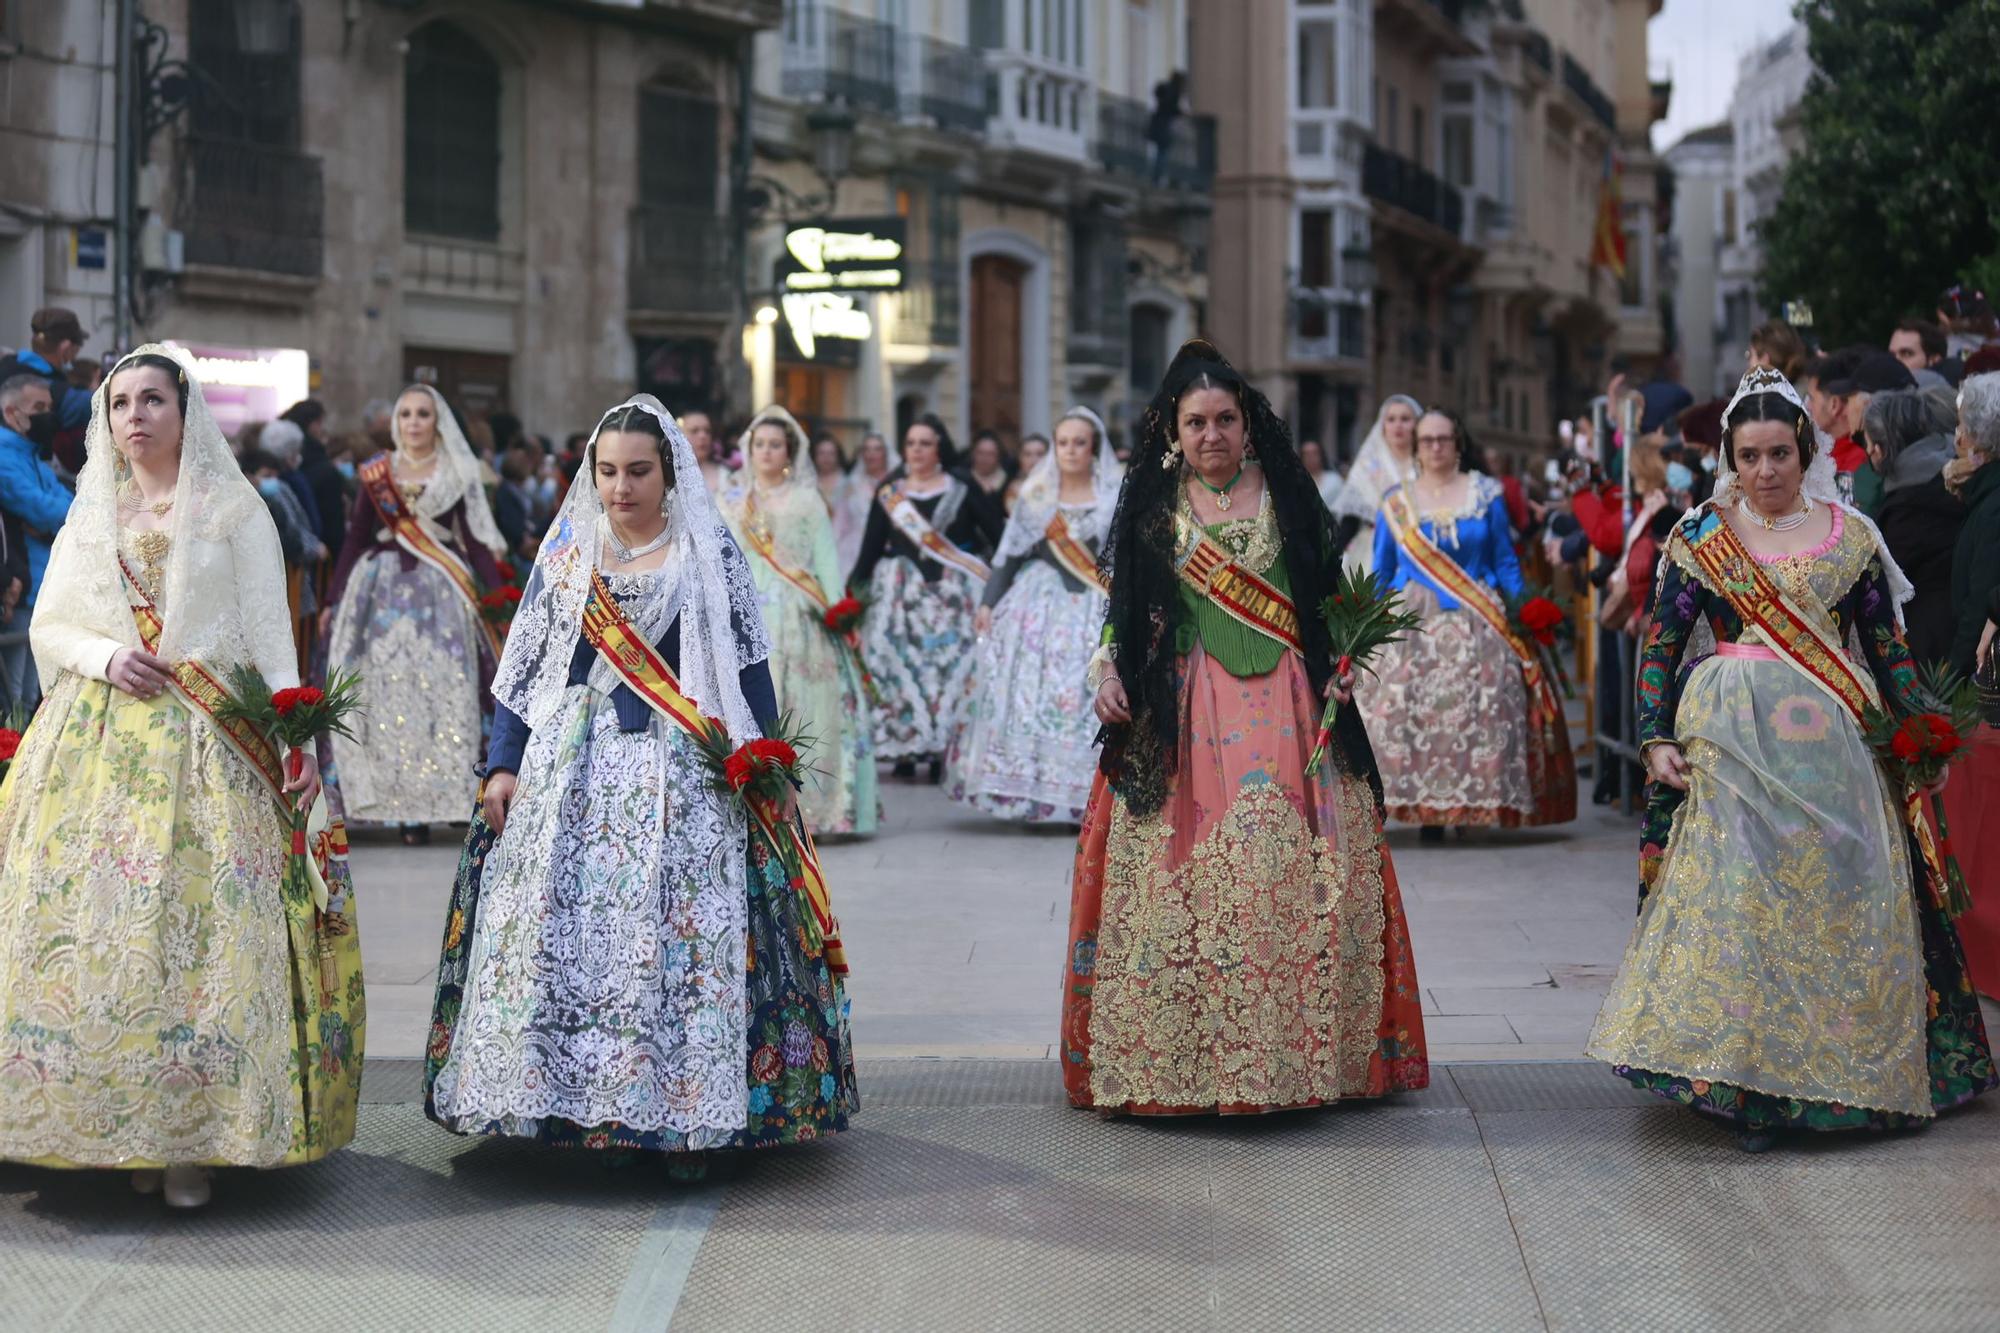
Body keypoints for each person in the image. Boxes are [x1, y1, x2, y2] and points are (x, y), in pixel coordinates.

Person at [425, 396, 855, 1159]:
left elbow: (747, 664)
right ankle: (551, 1098)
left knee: (680, 930)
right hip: (573, 761)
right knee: (561, 926)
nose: (621, 487)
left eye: (638, 471)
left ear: (668, 473)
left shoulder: (706, 550)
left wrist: (766, 760)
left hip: (682, 760)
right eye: (608, 471)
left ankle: (681, 1101)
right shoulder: (567, 552)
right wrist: (501, 762)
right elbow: (524, 671)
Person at [1587, 366, 1996, 1151]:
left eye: (1779, 453)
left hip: (1831, 755)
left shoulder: (1853, 537)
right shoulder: (1702, 537)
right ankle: (1748, 1080)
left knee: (1835, 902)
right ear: (1730, 459)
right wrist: (1655, 737)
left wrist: (1923, 733)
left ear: (1804, 448)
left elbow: (1888, 652)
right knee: (1744, 907)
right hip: (1729, 746)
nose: (1765, 471)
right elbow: (1660, 647)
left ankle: (1841, 1074)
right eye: (1749, 456)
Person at [0, 346, 363, 1206]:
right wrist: (106, 653)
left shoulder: (236, 511)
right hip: (100, 747)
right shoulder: (93, 513)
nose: (135, 417)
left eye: (152, 400)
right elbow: (51, 628)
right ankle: (119, 1128)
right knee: (108, 935)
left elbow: (270, 634)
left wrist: (293, 730)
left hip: (210, 747)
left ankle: (191, 1141)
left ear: (184, 409)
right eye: (120, 403)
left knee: (200, 939)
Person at [1066, 339, 1427, 1114]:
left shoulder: (1287, 497)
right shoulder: (1156, 511)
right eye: (1195, 422)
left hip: (1288, 710)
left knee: (1281, 871)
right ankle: (1188, 1062)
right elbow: (1123, 617)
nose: (1211, 436)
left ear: (1248, 424)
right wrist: (1107, 673)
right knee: (1192, 875)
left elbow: (1329, 594)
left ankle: (1302, 1061)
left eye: (1225, 418)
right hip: (1187, 709)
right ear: (1173, 430)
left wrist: (1346, 651)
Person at [1359, 409, 1576, 835]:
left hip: (1479, 616)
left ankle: (1472, 808)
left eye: (1443, 439)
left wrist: (1524, 613)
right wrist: (1367, 629)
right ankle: (1424, 812)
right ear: (1416, 448)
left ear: (1458, 443)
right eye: (1427, 440)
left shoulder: (1485, 494)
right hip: (1411, 624)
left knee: (1485, 709)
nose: (1436, 447)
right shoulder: (1396, 501)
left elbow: (1504, 560)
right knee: (1407, 713)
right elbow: (1382, 570)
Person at [323, 384, 507, 844]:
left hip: (442, 596)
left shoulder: (457, 473)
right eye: (405, 413)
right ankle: (398, 809)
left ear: (437, 420)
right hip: (379, 597)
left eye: (423, 413)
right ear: (395, 421)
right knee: (384, 695)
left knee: (446, 691)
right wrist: (334, 597)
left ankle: (446, 799)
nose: (413, 422)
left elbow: (476, 543)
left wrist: (500, 598)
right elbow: (356, 537)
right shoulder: (376, 474)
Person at [945, 407, 1119, 824]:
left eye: (1080, 442)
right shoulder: (1037, 495)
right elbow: (1007, 557)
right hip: (1038, 605)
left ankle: (1085, 795)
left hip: (1095, 604)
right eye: (1064, 443)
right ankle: (1029, 794)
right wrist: (988, 602)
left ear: (1094, 447)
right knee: (1027, 690)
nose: (1071, 450)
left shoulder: (1114, 494)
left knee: (1085, 693)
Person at [722, 406, 878, 837]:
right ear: (748, 450)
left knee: (810, 705)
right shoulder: (731, 498)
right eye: (760, 445)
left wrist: (839, 612)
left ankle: (817, 808)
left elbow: (826, 559)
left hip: (798, 611)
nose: (767, 452)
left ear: (789, 451)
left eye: (775, 445)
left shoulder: (807, 499)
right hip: (744, 607)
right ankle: (752, 797)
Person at [849, 414, 1004, 781]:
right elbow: (870, 548)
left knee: (949, 673)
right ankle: (905, 748)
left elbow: (999, 535)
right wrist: (851, 597)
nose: (917, 450)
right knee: (898, 671)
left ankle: (941, 752)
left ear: (940, 449)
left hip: (953, 598)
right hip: (900, 597)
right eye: (911, 443)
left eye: (925, 443)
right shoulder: (890, 492)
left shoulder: (962, 487)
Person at [1864, 388, 1964, 665]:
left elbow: (1883, 579)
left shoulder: (1910, 508)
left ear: (1882, 449)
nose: (1869, 454)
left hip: (1931, 649)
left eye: (1870, 445)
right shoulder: (1950, 475)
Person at [0, 372, 75, 708]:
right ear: (11, 413)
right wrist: (55, 520)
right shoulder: (4, 456)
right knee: (12, 698)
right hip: (21, 589)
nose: (48, 415)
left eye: (50, 406)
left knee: (33, 697)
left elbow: (74, 509)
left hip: (46, 588)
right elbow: (45, 509)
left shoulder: (34, 457)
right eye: (38, 407)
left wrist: (52, 521)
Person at [1329, 393, 1421, 568]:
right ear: (1382, 425)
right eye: (1391, 419)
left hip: (1420, 546)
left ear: (1417, 424)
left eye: (1405, 419)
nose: (1398, 425)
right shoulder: (1368, 466)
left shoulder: (1425, 465)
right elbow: (1351, 518)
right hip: (1374, 548)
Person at [1948, 372, 2000, 678]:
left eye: (1963, 425)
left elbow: (1980, 601)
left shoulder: (1993, 506)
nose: (1957, 436)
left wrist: (1952, 679)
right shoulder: (1982, 493)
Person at [0, 307, 93, 476]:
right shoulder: (54, 389)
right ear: (65, 348)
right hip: (29, 476)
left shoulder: (6, 365)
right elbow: (96, 404)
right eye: (77, 347)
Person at [280, 398, 353, 543]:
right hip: (319, 549)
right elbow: (333, 523)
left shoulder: (284, 461)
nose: (323, 429)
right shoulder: (321, 466)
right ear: (313, 425)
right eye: (320, 423)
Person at [680, 408, 729, 494]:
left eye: (707, 431)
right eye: (694, 431)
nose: (703, 436)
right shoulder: (669, 477)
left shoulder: (726, 475)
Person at [1746, 318, 1808, 383]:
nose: (1748, 364)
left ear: (1764, 360)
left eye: (1749, 355)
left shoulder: (1762, 392)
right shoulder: (1807, 388)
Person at [1005, 431, 1049, 512]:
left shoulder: (1063, 487)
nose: (1034, 460)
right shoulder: (1014, 490)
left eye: (1039, 454)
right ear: (1020, 458)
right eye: (1027, 454)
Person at [1298, 439, 1346, 512]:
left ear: (1321, 455)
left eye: (1314, 453)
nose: (1311, 458)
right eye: (1306, 454)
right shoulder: (1294, 481)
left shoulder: (1335, 480)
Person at [965, 428, 1012, 500]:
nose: (985, 458)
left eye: (990, 454)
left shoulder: (1010, 482)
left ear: (999, 456)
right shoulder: (962, 482)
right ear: (973, 454)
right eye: (980, 453)